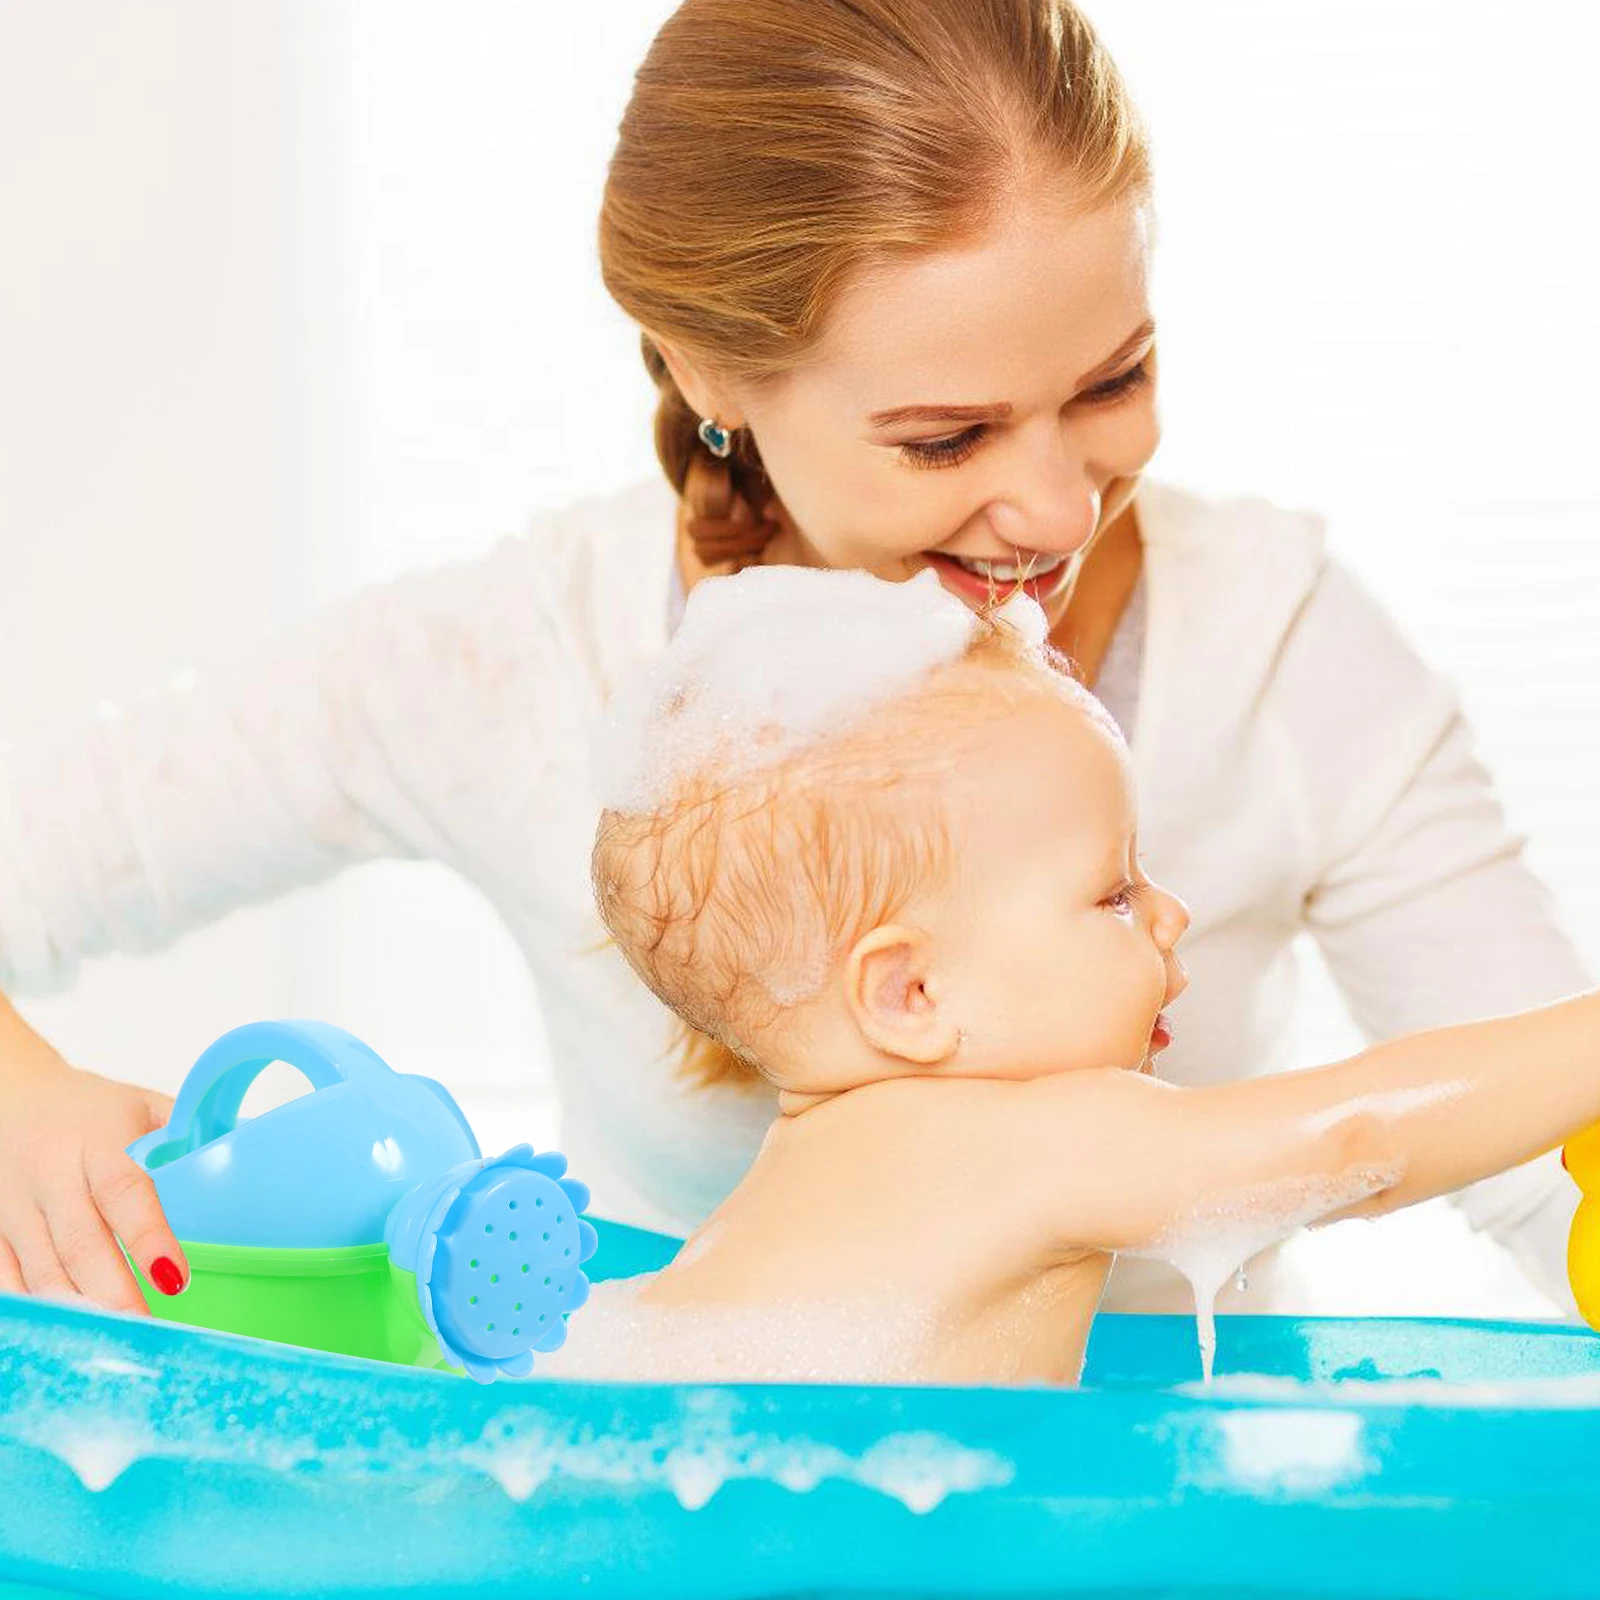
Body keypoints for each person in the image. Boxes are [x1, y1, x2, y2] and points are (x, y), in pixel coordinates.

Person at [0, 0, 1587, 1317]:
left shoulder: (1283, 651)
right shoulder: (506, 667)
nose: (1056, 508)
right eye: (946, 437)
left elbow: (1549, 1165)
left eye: (1114, 383)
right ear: (711, 375)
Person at [539, 563, 1600, 1386]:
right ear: (911, 994)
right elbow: (1356, 1142)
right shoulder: (1020, 1141)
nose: (1172, 913)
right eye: (1114, 892)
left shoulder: (803, 1176)